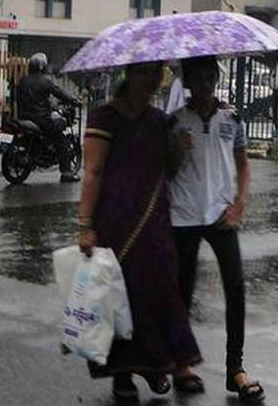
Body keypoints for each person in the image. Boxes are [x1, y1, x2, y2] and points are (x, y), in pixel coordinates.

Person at [77, 62, 205, 404]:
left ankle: (162, 365)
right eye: (144, 72)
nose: (150, 80)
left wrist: (179, 150)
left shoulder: (161, 122)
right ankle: (123, 375)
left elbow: (171, 172)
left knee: (160, 295)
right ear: (129, 75)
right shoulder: (104, 118)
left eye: (155, 73)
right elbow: (92, 172)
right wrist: (85, 226)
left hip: (155, 225)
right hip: (115, 223)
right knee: (121, 300)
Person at [168, 56, 265, 404]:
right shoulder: (175, 122)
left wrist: (240, 203)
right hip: (183, 215)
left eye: (211, 77)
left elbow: (243, 163)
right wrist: (176, 153)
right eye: (199, 78)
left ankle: (235, 369)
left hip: (221, 214)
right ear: (189, 82)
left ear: (217, 79)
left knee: (235, 287)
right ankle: (181, 365)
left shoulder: (232, 119)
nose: (206, 84)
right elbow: (164, 172)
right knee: (182, 290)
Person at [16, 53, 82, 182]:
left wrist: (50, 105)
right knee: (62, 141)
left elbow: (35, 99)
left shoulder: (23, 81)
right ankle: (67, 173)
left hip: (23, 117)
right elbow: (59, 92)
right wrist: (74, 100)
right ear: (42, 67)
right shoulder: (44, 81)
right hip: (41, 119)